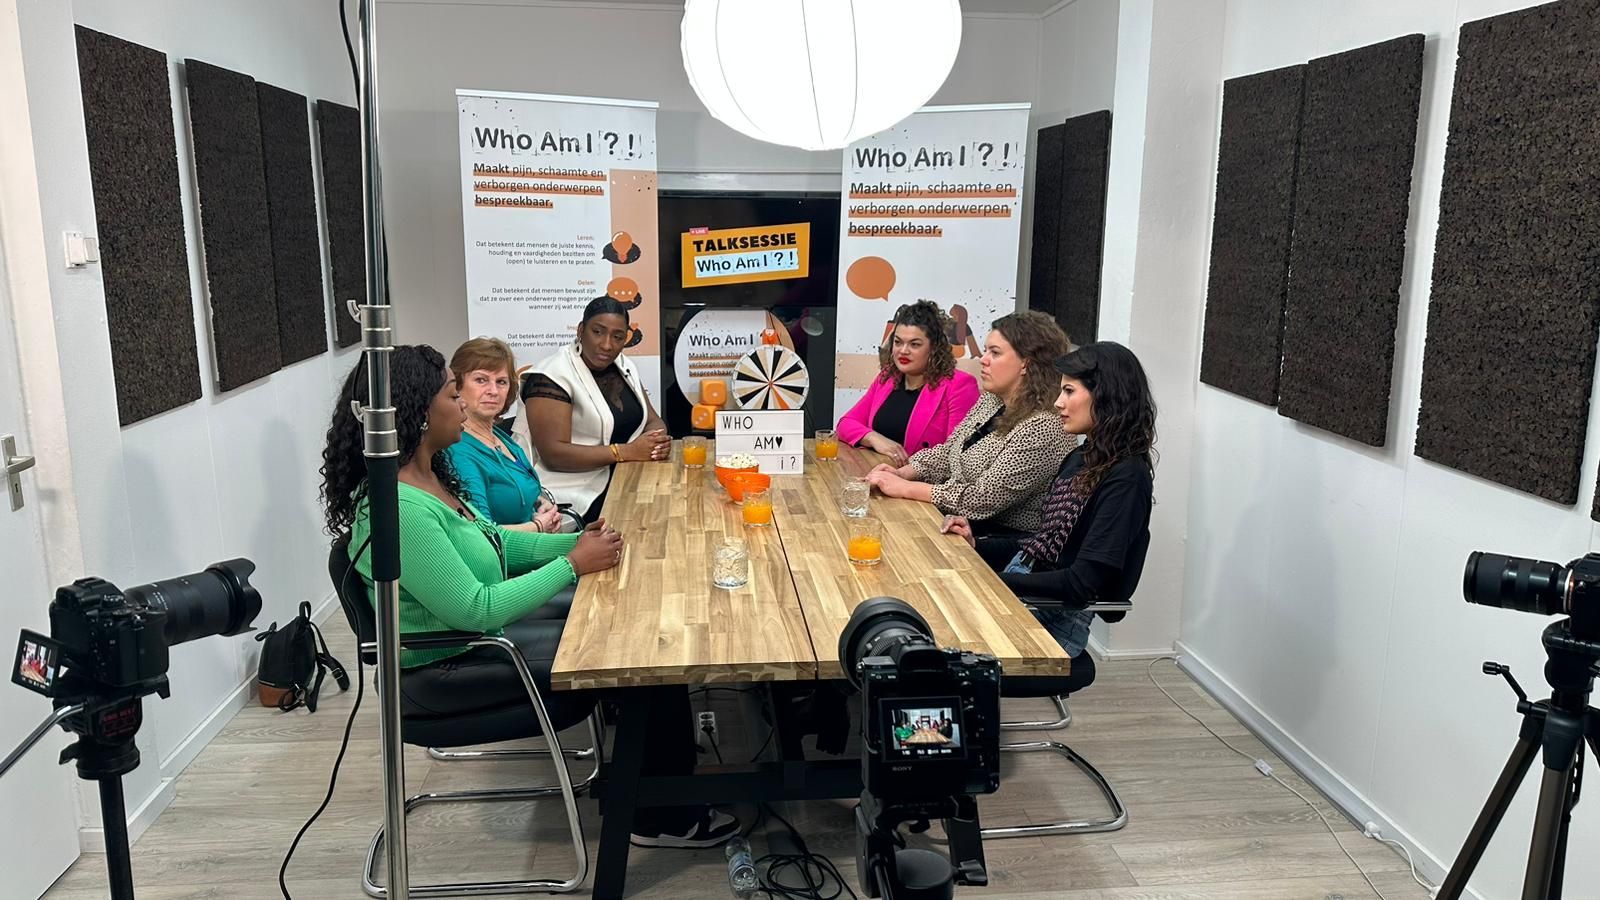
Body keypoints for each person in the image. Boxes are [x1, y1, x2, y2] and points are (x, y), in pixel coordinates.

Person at [320, 344, 738, 847]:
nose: (463, 403)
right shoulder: (400, 508)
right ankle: (661, 818)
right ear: (418, 412)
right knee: (643, 657)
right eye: (452, 394)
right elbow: (477, 608)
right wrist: (572, 564)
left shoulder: (429, 477)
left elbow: (497, 543)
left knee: (634, 634)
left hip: (474, 644)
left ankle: (653, 779)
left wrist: (586, 543)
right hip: (446, 668)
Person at [942, 341, 1156, 663]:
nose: (1058, 402)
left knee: (930, 654)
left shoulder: (1127, 479)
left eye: (1069, 391)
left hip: (1053, 621)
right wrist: (976, 545)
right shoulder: (1081, 458)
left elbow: (1079, 584)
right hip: (1026, 594)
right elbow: (1041, 545)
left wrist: (991, 582)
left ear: (1106, 396)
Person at [867, 311, 1074, 535]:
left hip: (1003, 541)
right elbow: (949, 451)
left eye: (995, 353)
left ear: (1026, 364)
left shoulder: (1044, 425)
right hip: (962, 525)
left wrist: (906, 488)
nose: (983, 359)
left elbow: (983, 498)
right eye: (985, 350)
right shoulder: (992, 400)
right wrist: (904, 473)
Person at [519, 298, 670, 525]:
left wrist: (655, 444)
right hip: (572, 494)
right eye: (598, 332)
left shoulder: (623, 366)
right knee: (651, 521)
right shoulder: (552, 376)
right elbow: (553, 455)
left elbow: (652, 421)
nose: (607, 345)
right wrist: (625, 452)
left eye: (618, 337)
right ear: (581, 330)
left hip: (623, 476)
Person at [838, 300, 981, 466]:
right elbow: (845, 424)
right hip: (876, 474)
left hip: (920, 480)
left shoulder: (960, 385)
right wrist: (874, 438)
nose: (903, 351)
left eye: (914, 344)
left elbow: (957, 456)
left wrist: (902, 476)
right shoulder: (888, 377)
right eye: (898, 342)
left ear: (934, 347)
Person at [447, 338, 562, 533]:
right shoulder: (458, 451)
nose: (493, 391)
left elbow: (514, 487)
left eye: (501, 382)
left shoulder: (500, 437)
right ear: (457, 385)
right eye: (481, 380)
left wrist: (540, 503)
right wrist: (539, 526)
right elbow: (482, 533)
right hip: (510, 552)